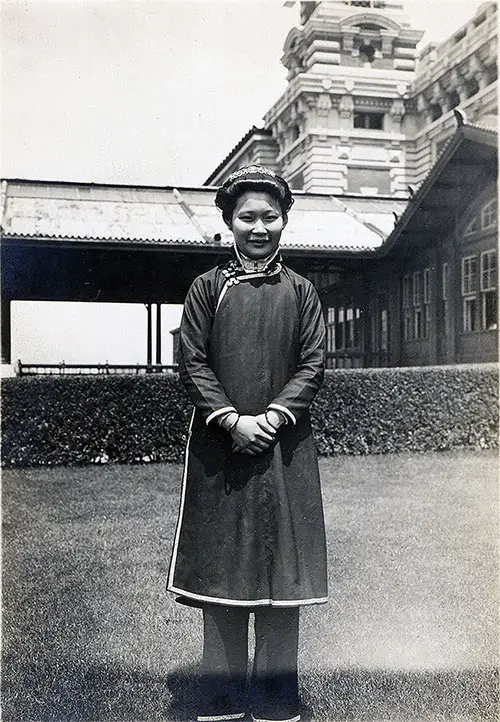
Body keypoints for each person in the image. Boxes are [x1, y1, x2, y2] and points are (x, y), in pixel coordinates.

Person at [167, 165, 328, 722]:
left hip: (286, 448)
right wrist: (231, 420)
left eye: (270, 216)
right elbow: (191, 362)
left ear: (284, 220)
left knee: (284, 567)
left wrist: (276, 416)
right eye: (247, 217)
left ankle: (277, 697)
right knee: (223, 567)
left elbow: (312, 362)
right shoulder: (206, 289)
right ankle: (221, 694)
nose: (259, 227)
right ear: (229, 223)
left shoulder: (303, 292)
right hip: (221, 449)